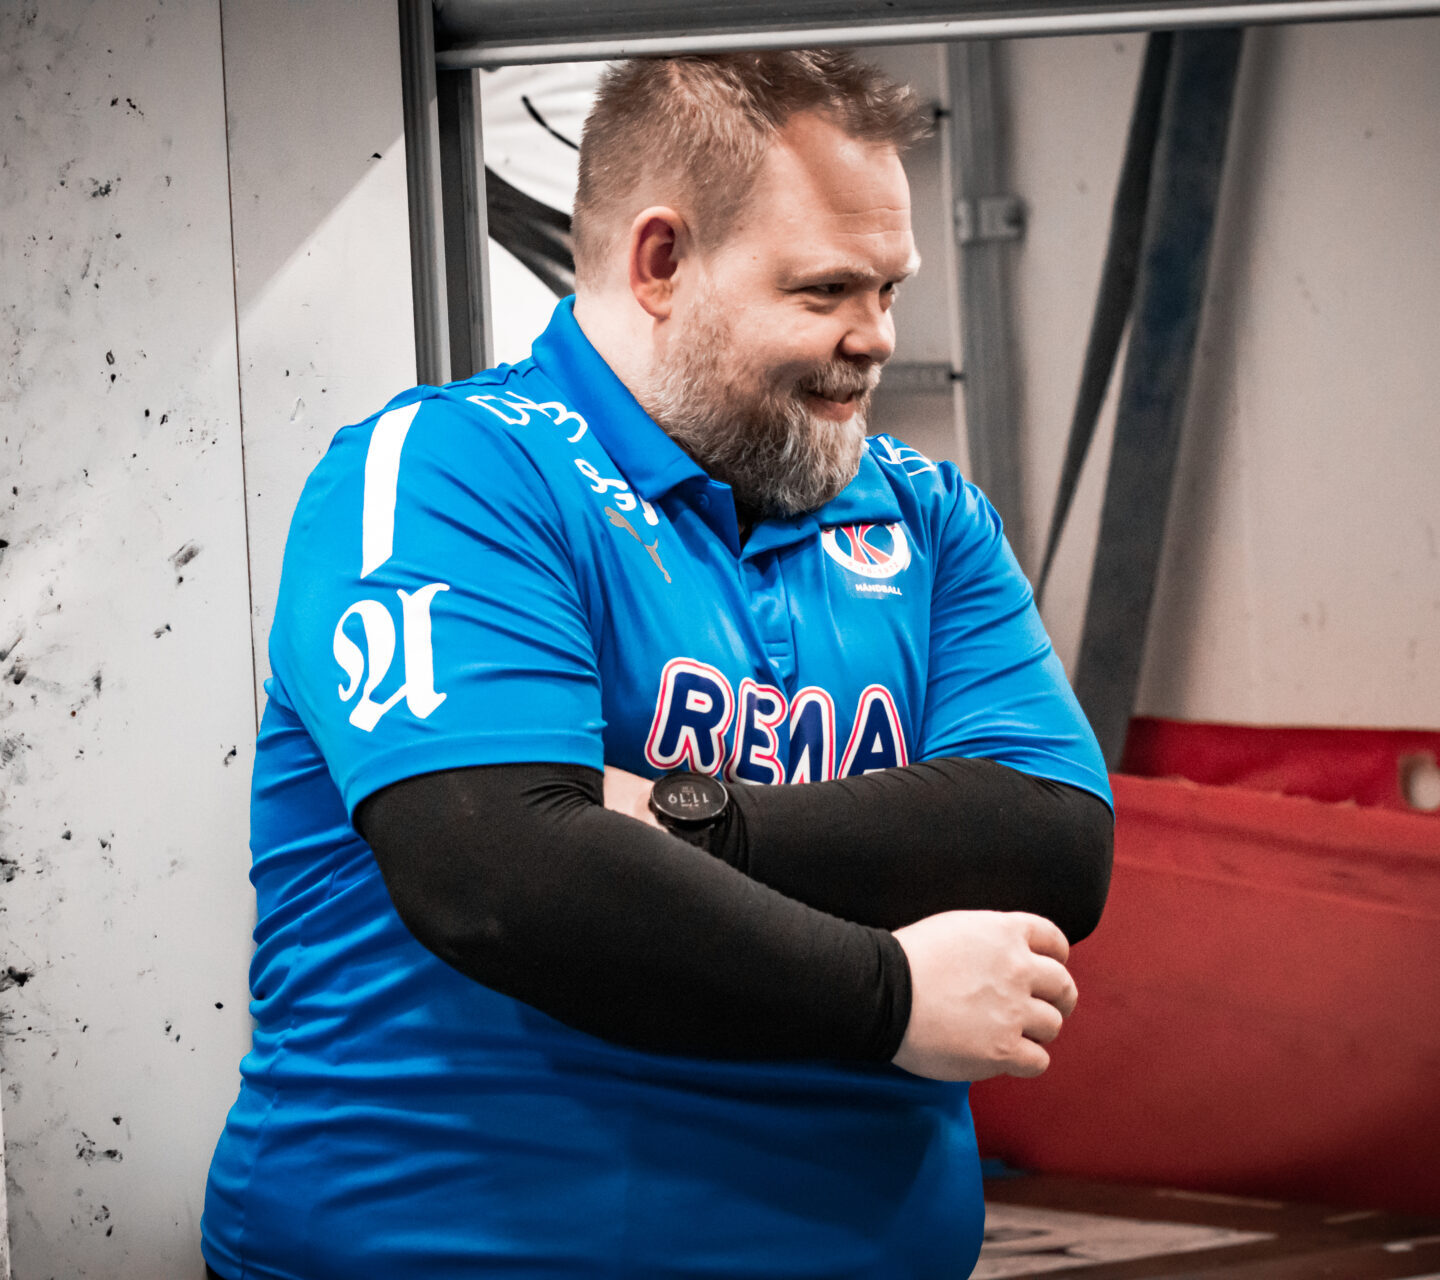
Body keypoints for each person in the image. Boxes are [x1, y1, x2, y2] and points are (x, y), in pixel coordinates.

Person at [201, 51, 1112, 1280]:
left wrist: (674, 818)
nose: (877, 338)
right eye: (827, 289)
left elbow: (1052, 839)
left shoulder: (927, 515)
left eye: (890, 287)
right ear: (661, 261)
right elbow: (498, 875)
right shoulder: (452, 472)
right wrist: (889, 992)